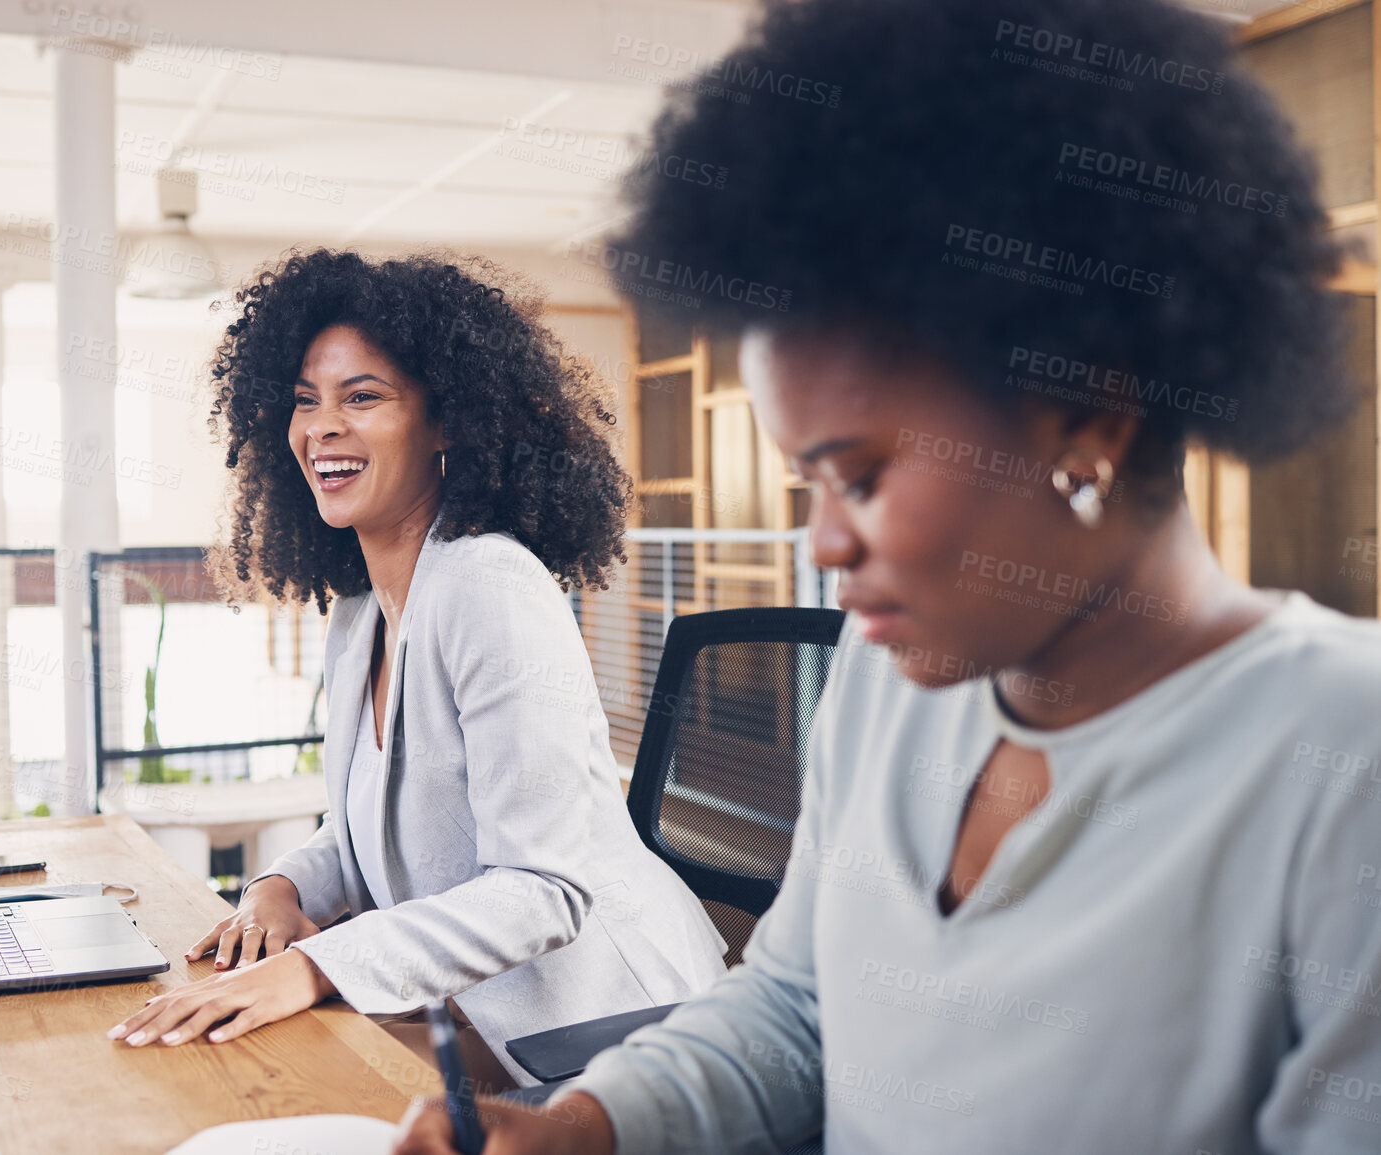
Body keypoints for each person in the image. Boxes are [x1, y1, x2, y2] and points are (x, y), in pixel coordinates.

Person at [395, 0, 1381, 1150]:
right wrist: (586, 1125)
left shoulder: (1342, 765)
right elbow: (796, 1010)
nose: (819, 543)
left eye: (856, 476)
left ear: (1086, 415)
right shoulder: (887, 677)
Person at [106, 248, 727, 1087]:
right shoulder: (363, 609)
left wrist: (314, 965)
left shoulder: (490, 588)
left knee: (269, 1093)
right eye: (304, 401)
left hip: (610, 1030)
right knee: (227, 1079)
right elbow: (366, 827)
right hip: (480, 1016)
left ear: (445, 423)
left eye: (362, 397)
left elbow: (543, 886)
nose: (321, 426)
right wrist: (283, 887)